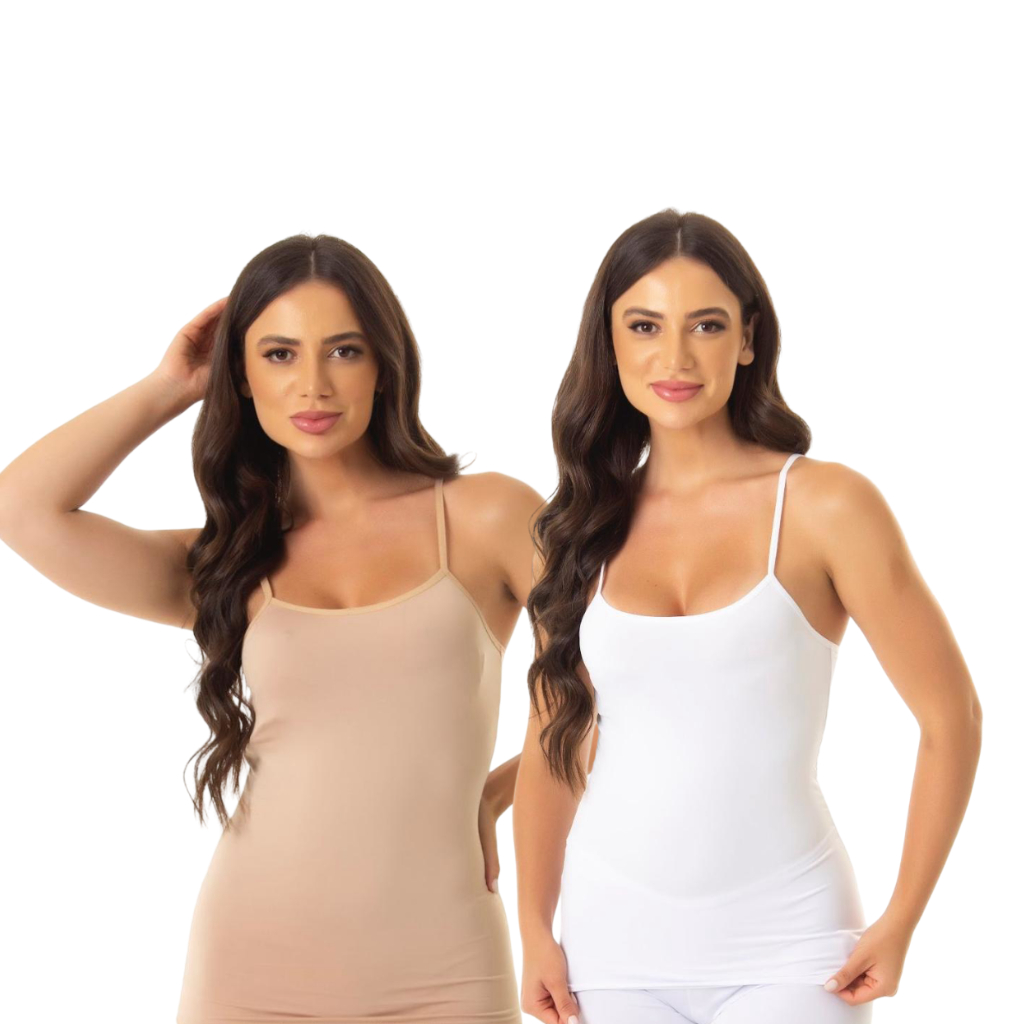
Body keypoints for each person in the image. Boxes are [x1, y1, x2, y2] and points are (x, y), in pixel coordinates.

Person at [0, 233, 543, 1024]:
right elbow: (21, 511)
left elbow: (626, 683)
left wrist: (499, 794)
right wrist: (170, 386)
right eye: (280, 354)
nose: (313, 384)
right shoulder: (227, 563)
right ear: (242, 377)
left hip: (446, 963)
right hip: (253, 961)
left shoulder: (486, 515)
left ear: (384, 365)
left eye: (344, 351)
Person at [512, 210, 983, 1024]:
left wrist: (903, 919)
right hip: (610, 946)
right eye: (645, 326)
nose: (675, 358)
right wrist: (532, 929)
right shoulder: (580, 528)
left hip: (793, 941)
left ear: (748, 339)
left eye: (706, 325)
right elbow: (552, 741)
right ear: (609, 344)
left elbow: (952, 718)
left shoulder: (826, 506)